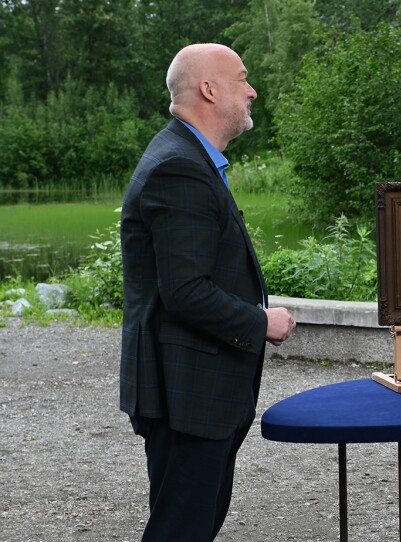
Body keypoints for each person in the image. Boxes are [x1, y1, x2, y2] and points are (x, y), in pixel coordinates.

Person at [119, 43, 297, 541]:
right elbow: (186, 291)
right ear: (210, 89)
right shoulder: (179, 168)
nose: (252, 91)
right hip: (186, 395)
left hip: (194, 392)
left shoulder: (190, 158)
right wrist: (261, 322)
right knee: (181, 531)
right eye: (243, 79)